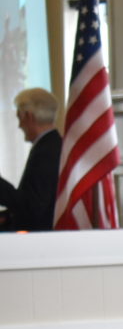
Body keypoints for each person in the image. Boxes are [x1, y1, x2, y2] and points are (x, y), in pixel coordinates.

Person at [0, 88, 62, 231]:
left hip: (38, 240)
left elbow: (32, 208)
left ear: (28, 116)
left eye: (18, 117)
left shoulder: (47, 151)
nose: (19, 125)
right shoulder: (51, 145)